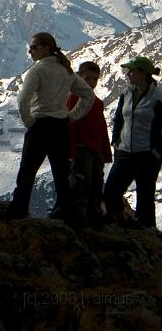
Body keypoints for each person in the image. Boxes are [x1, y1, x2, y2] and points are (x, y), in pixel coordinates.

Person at [6, 32, 94, 224]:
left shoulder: (37, 71)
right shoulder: (66, 70)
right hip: (61, 127)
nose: (30, 51)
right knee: (61, 174)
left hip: (40, 126)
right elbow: (88, 96)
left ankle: (18, 211)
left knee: (27, 172)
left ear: (46, 48)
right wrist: (71, 117)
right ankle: (69, 215)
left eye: (34, 47)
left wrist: (28, 120)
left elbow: (23, 100)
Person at [103, 56, 162, 229]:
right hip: (125, 152)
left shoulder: (158, 97)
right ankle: (125, 222)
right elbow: (119, 119)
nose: (128, 74)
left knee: (145, 197)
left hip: (147, 154)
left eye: (132, 71)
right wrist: (116, 141)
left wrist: (157, 151)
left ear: (143, 73)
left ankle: (147, 233)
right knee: (111, 192)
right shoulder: (127, 92)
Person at [66, 61, 112, 225]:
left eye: (95, 79)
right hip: (81, 149)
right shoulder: (73, 98)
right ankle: (79, 215)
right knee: (81, 182)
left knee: (97, 182)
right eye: (88, 78)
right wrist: (71, 152)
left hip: (96, 150)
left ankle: (94, 213)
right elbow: (70, 126)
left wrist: (106, 152)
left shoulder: (98, 103)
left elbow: (102, 128)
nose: (91, 82)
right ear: (79, 77)